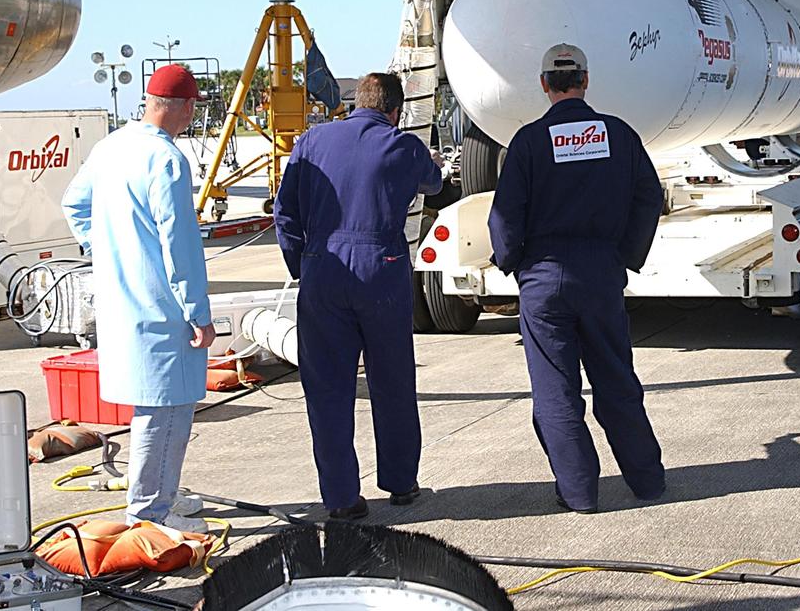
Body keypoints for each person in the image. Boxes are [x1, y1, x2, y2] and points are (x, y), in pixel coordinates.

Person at [488, 43, 666, 514]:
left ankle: (579, 493)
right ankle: (647, 481)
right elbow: (651, 197)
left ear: (544, 84)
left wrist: (513, 264)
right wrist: (625, 255)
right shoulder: (620, 135)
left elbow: (505, 215)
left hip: (544, 277)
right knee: (616, 380)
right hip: (601, 273)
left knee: (555, 391)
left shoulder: (527, 142)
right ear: (586, 80)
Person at [274, 72, 444, 520]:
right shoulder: (402, 145)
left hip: (322, 269)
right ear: (395, 109)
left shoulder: (311, 141)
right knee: (392, 381)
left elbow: (284, 212)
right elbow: (434, 183)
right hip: (380, 270)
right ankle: (401, 482)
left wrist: (302, 265)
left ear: (356, 103)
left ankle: (342, 499)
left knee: (327, 389)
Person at [62, 64, 215, 533]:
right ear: (186, 108)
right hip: (162, 306)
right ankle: (149, 513)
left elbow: (74, 203)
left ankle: (161, 495)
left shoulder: (110, 146)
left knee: (153, 409)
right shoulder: (166, 160)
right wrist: (199, 314)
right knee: (165, 412)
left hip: (121, 298)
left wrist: (107, 248)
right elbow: (181, 247)